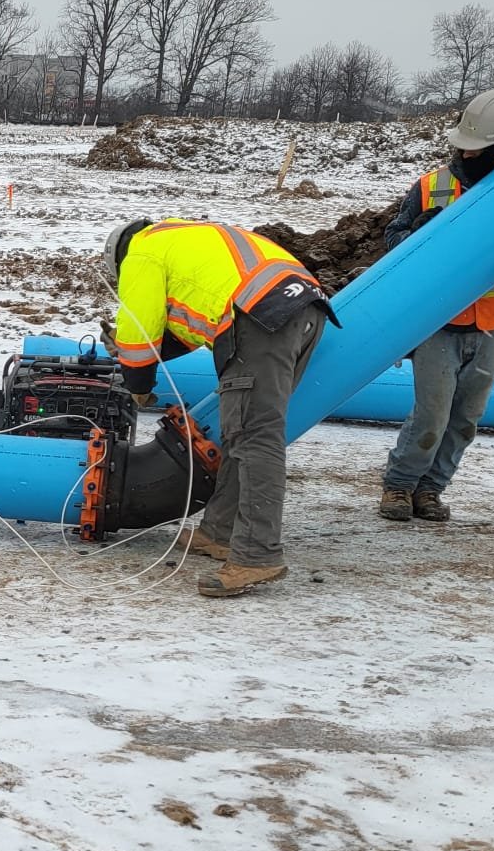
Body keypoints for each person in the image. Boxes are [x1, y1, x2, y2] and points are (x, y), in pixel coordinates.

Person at [103, 217, 333, 598]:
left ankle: (258, 555)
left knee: (256, 436)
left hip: (259, 318)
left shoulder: (140, 255)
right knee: (240, 429)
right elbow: (187, 324)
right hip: (301, 306)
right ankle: (220, 531)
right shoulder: (180, 237)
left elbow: (138, 328)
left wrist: (137, 384)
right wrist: (145, 357)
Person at [377, 88, 494, 523]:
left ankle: (431, 489)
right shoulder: (432, 187)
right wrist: (417, 232)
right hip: (437, 322)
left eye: (481, 151)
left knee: (466, 417)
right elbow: (392, 242)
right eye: (465, 148)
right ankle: (399, 486)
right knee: (431, 415)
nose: (467, 157)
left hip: (493, 323)